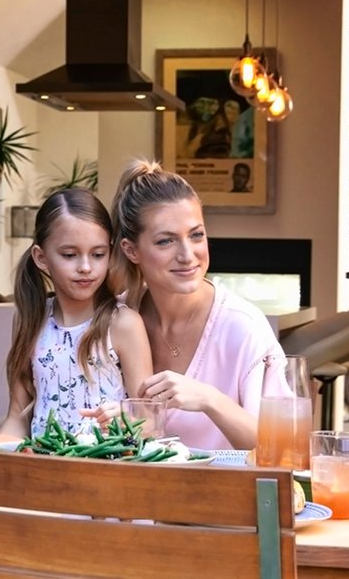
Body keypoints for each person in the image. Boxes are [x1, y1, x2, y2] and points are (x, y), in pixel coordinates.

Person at [109, 159, 285, 450]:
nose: (187, 255)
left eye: (196, 235)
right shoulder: (113, 321)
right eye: (165, 241)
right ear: (131, 250)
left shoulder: (243, 327)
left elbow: (281, 447)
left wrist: (209, 399)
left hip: (224, 481)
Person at [0, 189, 153, 441]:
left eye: (98, 254)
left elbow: (149, 421)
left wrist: (125, 421)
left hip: (107, 462)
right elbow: (17, 416)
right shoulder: (30, 320)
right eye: (69, 255)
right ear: (41, 257)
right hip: (42, 462)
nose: (86, 267)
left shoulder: (124, 324)